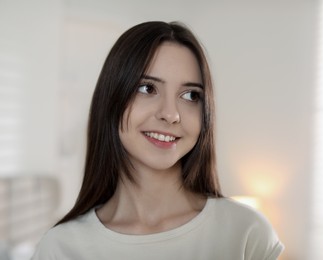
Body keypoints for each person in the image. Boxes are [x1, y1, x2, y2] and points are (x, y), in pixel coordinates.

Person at [32, 21, 284, 260]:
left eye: (190, 95)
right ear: (111, 100)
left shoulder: (247, 234)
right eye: (147, 89)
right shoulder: (61, 248)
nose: (170, 114)